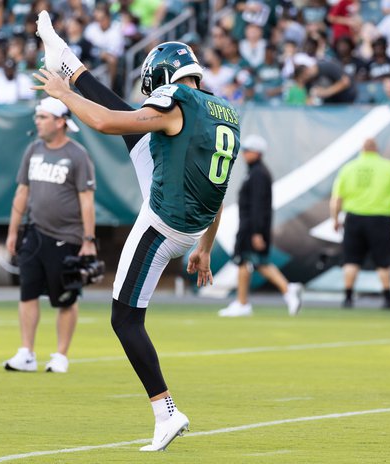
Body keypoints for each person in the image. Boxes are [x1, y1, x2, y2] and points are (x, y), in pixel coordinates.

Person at [33, 11, 240, 451]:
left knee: (124, 319)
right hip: (193, 223)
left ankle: (165, 411)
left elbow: (107, 122)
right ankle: (62, 53)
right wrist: (205, 247)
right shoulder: (225, 113)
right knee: (132, 126)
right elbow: (218, 190)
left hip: (164, 221)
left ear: (164, 77)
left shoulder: (175, 100)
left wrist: (63, 94)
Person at [3, 96, 97, 375]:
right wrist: (12, 231)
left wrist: (88, 240)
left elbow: (87, 199)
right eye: (37, 117)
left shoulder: (77, 155)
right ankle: (27, 352)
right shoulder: (33, 151)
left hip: (67, 236)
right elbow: (22, 192)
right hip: (35, 232)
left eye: (43, 117)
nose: (37, 122)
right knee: (27, 293)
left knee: (66, 297)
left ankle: (60, 355)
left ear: (60, 122)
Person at [218, 134, 302, 317]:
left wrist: (256, 232)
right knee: (253, 263)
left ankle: (246, 302)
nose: (244, 154)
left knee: (246, 262)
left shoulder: (258, 174)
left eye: (248, 150)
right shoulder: (256, 172)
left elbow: (258, 205)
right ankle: (283, 291)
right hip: (251, 226)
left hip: (251, 228)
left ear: (257, 153)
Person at [330, 138, 390, 309]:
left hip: (354, 218)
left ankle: (347, 297)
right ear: (376, 149)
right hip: (380, 219)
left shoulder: (349, 168)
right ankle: (388, 298)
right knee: (383, 260)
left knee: (351, 260)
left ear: (362, 150)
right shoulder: (387, 167)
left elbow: (336, 199)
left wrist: (335, 218)